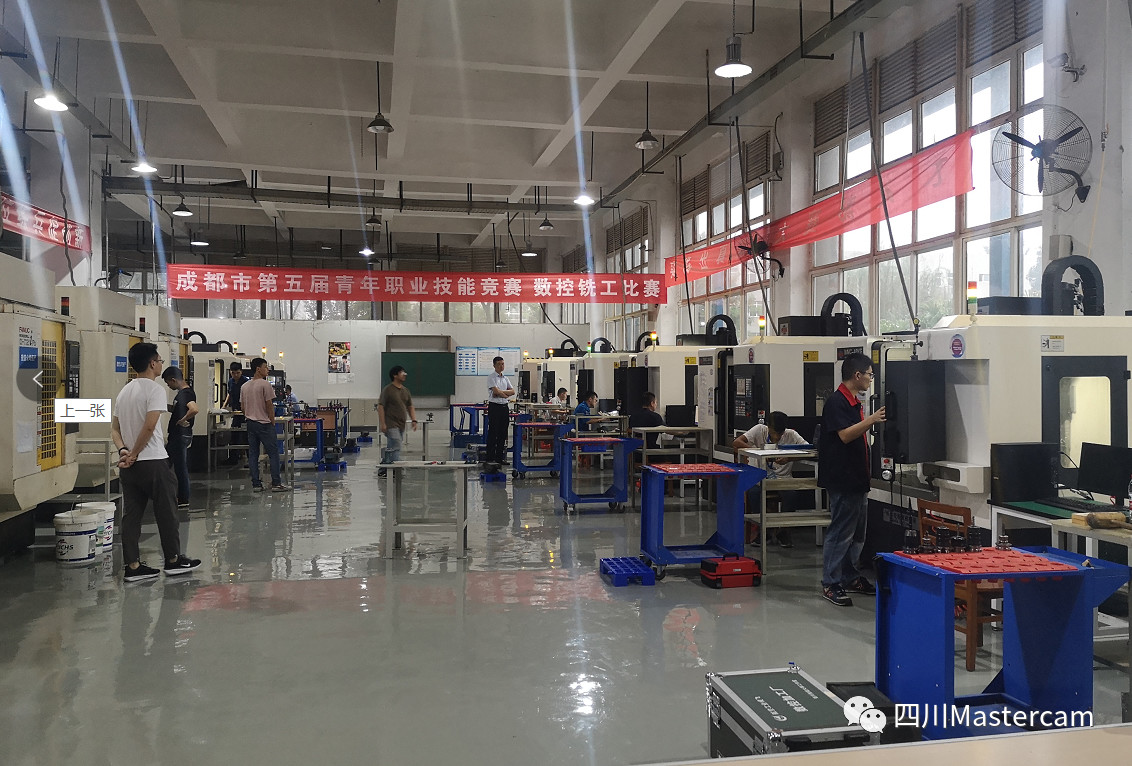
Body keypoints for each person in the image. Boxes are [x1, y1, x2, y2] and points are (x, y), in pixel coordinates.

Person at [111, 343, 201, 581]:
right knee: (167, 512)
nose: (161, 364)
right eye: (160, 360)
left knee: (131, 516)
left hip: (129, 467)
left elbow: (114, 429)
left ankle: (132, 566)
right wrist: (135, 453)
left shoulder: (124, 392)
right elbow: (150, 426)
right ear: (152, 363)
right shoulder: (155, 390)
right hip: (153, 462)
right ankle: (173, 560)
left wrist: (124, 451)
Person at [817, 353, 886, 607]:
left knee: (857, 534)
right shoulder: (837, 402)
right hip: (843, 479)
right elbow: (845, 435)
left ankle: (849, 576)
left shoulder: (854, 403)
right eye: (869, 374)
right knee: (840, 533)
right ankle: (830, 582)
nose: (870, 379)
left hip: (857, 479)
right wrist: (872, 420)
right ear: (857, 375)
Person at [733, 410, 808, 547]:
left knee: (791, 495)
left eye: (780, 433)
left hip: (783, 478)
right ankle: (763, 531)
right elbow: (737, 442)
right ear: (768, 427)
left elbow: (807, 449)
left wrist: (789, 458)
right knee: (754, 493)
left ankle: (783, 531)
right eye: (774, 432)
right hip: (760, 476)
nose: (777, 436)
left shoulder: (791, 434)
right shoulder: (759, 430)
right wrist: (758, 452)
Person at [242, 357, 290, 492]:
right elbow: (269, 405)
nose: (267, 369)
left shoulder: (244, 386)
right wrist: (272, 421)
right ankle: (276, 483)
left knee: (253, 454)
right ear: (258, 369)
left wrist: (250, 416)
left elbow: (243, 407)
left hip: (250, 423)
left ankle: (256, 484)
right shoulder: (265, 385)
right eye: (265, 367)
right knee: (273, 453)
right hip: (264, 424)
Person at [162, 366, 198, 508]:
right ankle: (177, 496)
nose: (168, 386)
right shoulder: (183, 394)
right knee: (172, 465)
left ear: (173, 380)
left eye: (168, 383)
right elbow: (180, 408)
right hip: (179, 435)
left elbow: (194, 409)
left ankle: (182, 498)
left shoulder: (185, 393)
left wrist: (182, 420)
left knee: (178, 467)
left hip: (179, 435)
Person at [378, 365, 418, 473]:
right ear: (395, 375)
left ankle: (384, 468)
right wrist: (383, 423)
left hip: (401, 424)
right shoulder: (388, 390)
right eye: (401, 372)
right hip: (390, 423)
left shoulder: (405, 391)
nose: (404, 374)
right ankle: (396, 469)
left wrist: (414, 420)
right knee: (397, 443)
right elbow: (381, 406)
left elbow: (410, 406)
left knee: (392, 446)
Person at [485, 356, 514, 466]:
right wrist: (504, 394)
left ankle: (499, 458)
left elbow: (512, 391)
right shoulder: (491, 377)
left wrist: (501, 393)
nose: (501, 366)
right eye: (499, 364)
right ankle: (490, 458)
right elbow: (495, 392)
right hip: (495, 407)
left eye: (502, 364)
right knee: (493, 432)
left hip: (504, 407)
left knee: (503, 433)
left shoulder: (505, 378)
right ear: (494, 365)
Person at [220, 361, 249, 466]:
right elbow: (230, 393)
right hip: (236, 412)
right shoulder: (230, 382)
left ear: (241, 372)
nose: (235, 375)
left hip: (245, 413)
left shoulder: (246, 382)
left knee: (246, 437)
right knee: (234, 435)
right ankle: (233, 459)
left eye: (237, 373)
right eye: (233, 373)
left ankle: (250, 460)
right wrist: (224, 406)